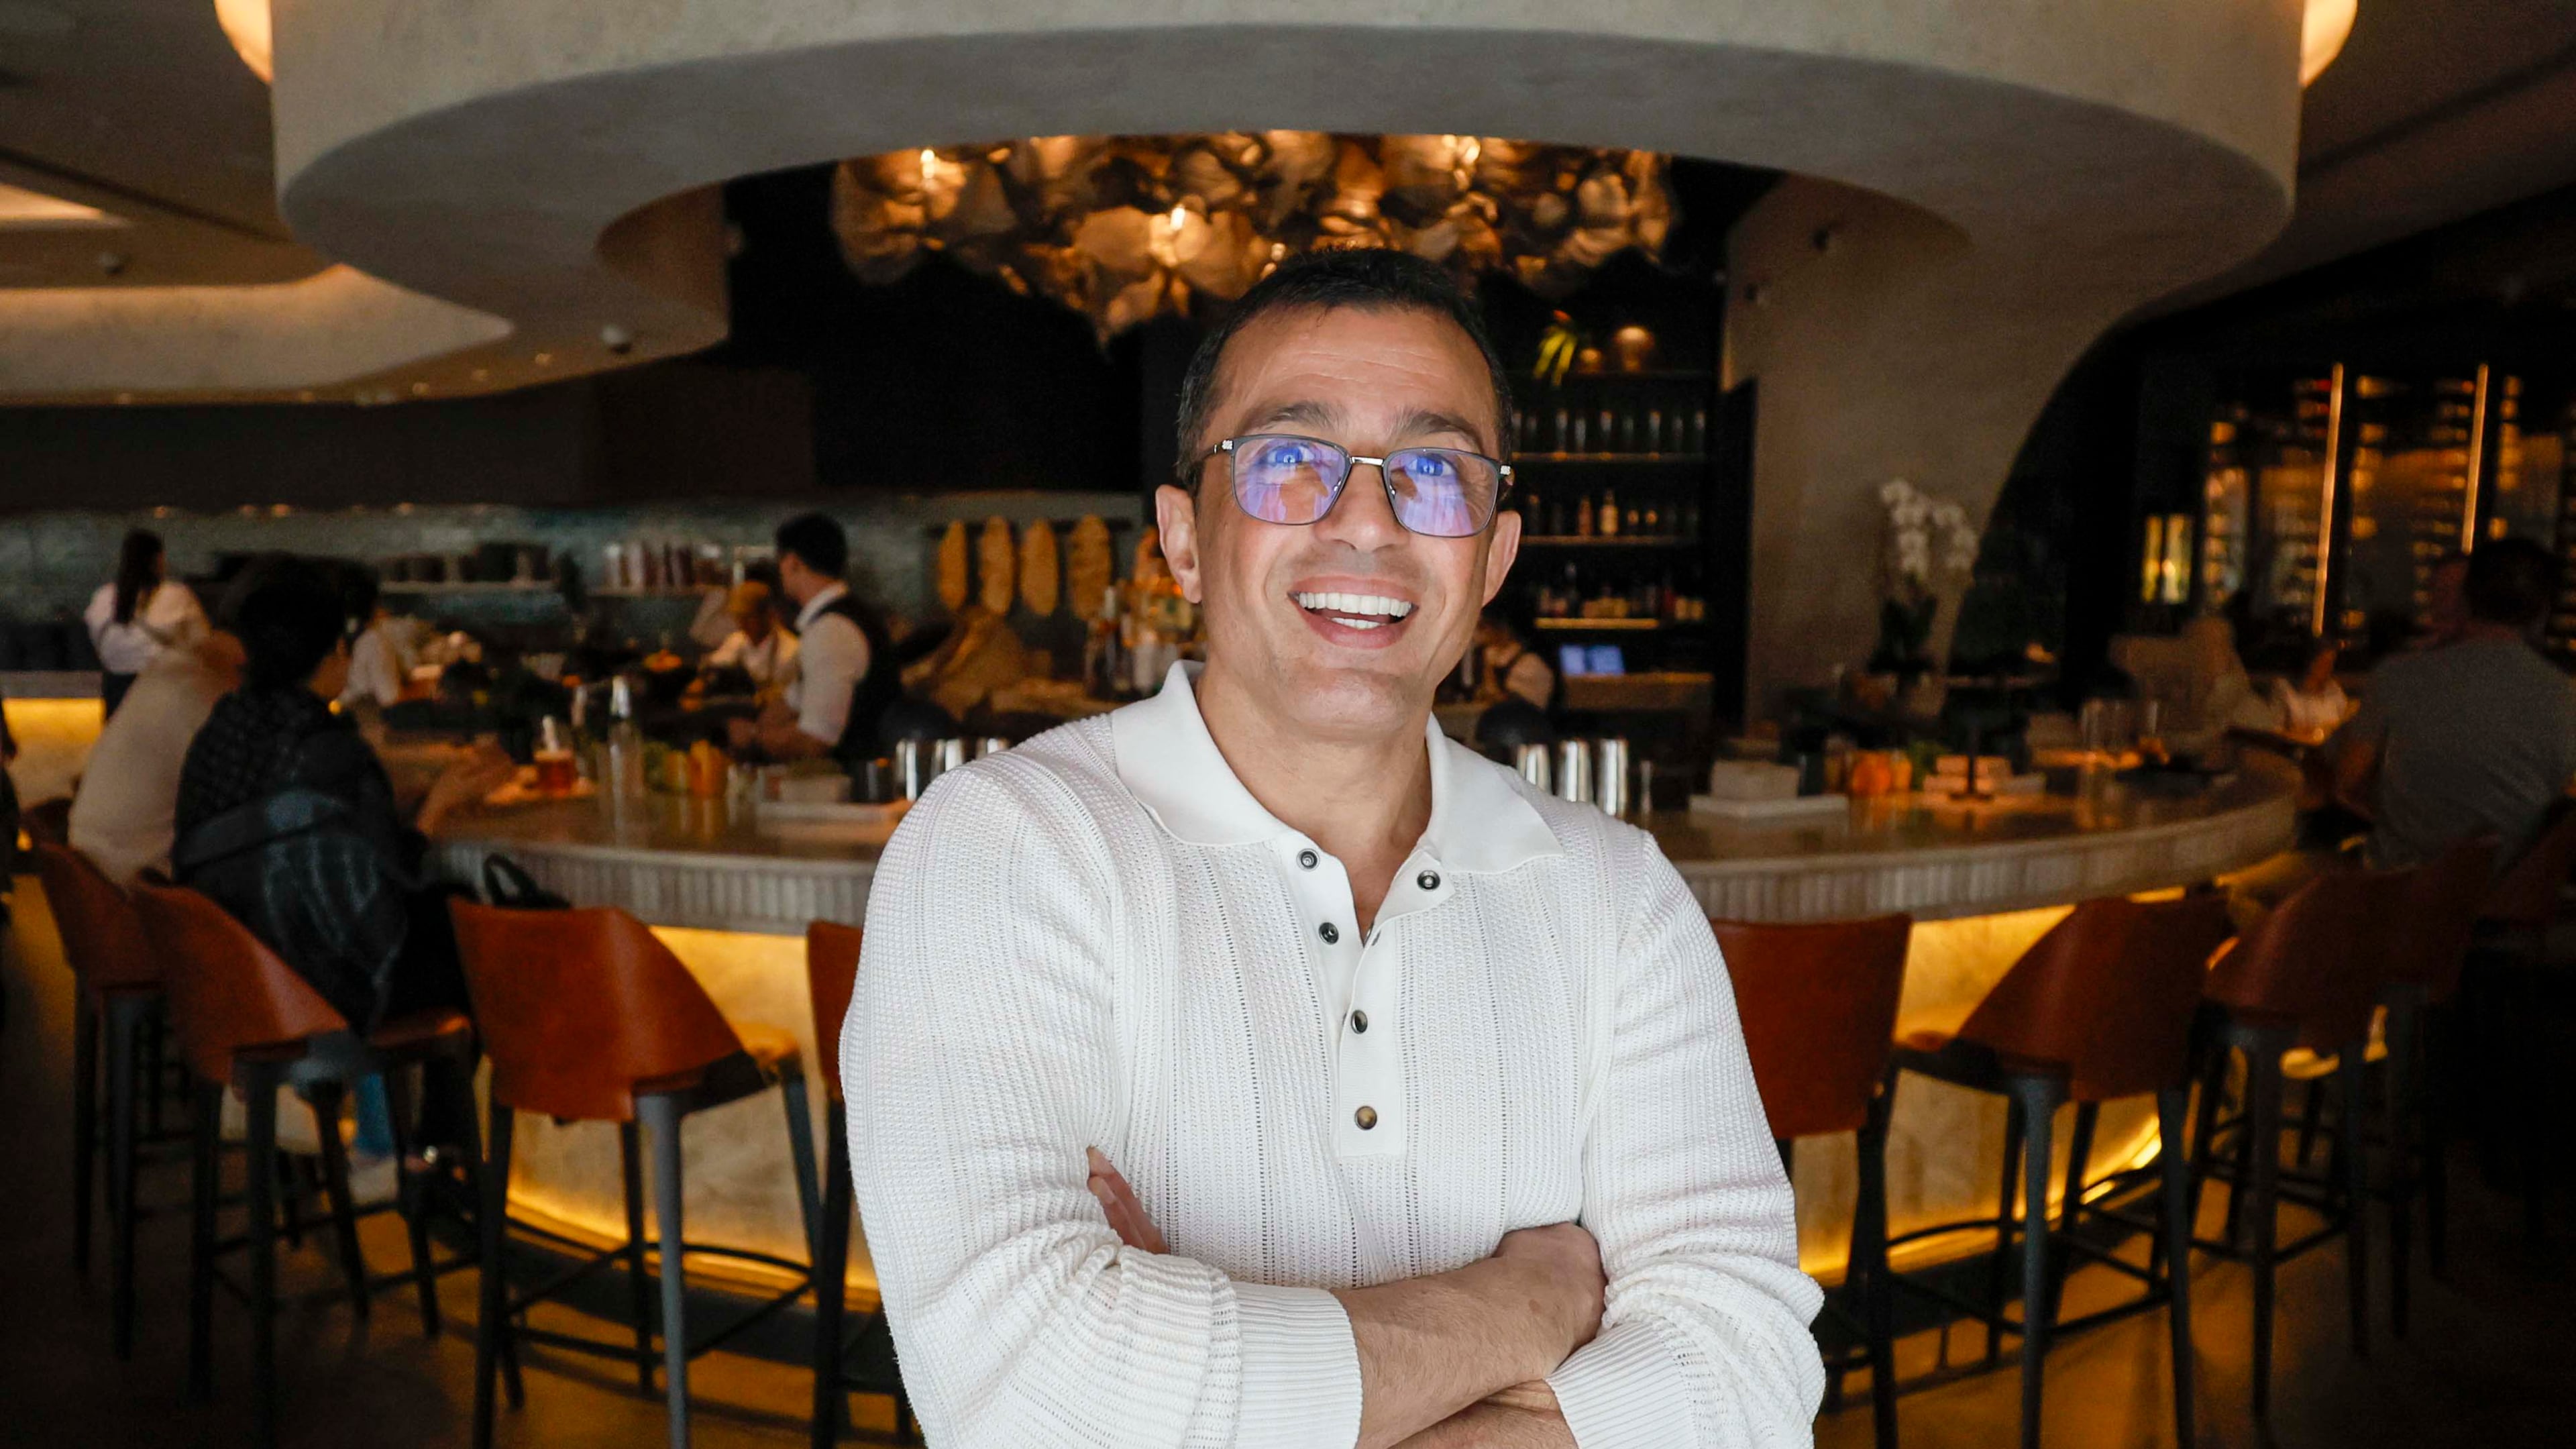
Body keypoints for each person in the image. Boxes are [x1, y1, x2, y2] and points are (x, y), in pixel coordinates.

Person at [846, 251, 1821, 1448]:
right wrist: (1530, 1307)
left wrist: (1209, 1396)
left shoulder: (1617, 893)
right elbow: (1019, 1395)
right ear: (1184, 541)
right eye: (1288, 461)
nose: (1366, 522)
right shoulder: (1006, 845)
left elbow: (1752, 1381)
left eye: (1433, 471)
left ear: (1492, 560)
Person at [172, 557, 513, 1034]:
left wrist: (405, 798)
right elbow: (390, 878)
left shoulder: (221, 731)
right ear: (335, 652)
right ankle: (445, 1104)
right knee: (468, 932)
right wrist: (438, 807)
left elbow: (293, 832)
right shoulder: (331, 750)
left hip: (229, 974)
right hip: (321, 984)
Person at [2333, 537, 2576, 869]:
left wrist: (2407, 812)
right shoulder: (2565, 695)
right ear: (2542, 611)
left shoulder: (2397, 676)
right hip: (2511, 898)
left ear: (2467, 598)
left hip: (2402, 893)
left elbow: (2347, 784)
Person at [70, 625, 246, 884]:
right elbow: (235, 800)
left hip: (95, 869)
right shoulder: (197, 691)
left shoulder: (164, 674)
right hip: (133, 882)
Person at [726, 515, 897, 768]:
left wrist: (753, 737)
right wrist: (759, 724)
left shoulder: (831, 630)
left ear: (793, 563)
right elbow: (795, 699)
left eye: (781, 561)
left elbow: (814, 742)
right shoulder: (838, 618)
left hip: (854, 792)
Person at [85, 529, 207, 717]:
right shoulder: (177, 595)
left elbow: (97, 642)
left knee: (121, 744)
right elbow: (201, 642)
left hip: (117, 689)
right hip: (166, 688)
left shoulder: (103, 597)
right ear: (158, 559)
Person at [701, 579, 798, 688]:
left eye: (749, 618)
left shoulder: (791, 651)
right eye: (739, 617)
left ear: (768, 615)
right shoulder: (737, 640)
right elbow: (715, 666)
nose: (742, 625)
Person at [338, 568, 411, 712]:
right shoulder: (374, 641)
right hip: (364, 719)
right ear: (374, 606)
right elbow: (389, 696)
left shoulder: (340, 635)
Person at [2269, 640, 2350, 740]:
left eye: (2331, 663)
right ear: (2310, 662)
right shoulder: (2285, 690)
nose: (2329, 668)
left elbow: (2346, 724)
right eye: (2324, 662)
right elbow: (2276, 730)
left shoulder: (2333, 690)